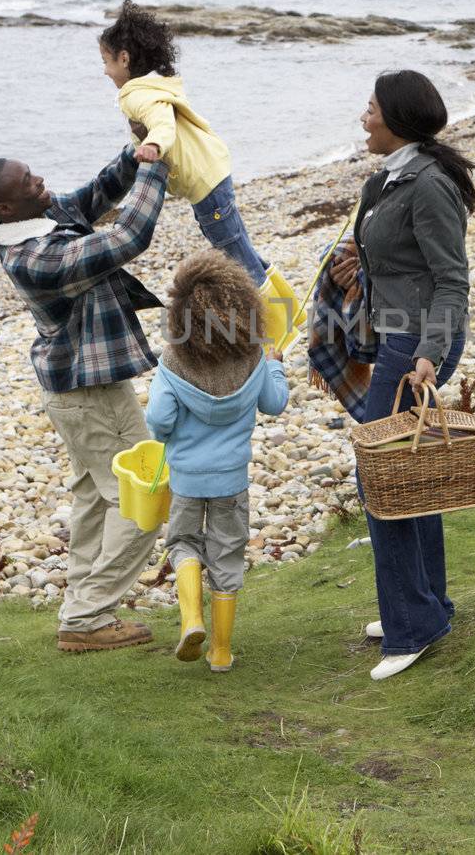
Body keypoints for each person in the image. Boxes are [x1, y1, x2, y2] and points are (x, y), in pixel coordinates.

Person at [0, 144, 167, 652]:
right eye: (29, 183)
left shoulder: (42, 215)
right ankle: (87, 617)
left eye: (34, 174)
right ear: (5, 210)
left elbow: (98, 193)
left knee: (96, 502)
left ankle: (82, 607)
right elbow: (127, 237)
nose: (42, 183)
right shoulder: (34, 257)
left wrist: (136, 149)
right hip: (86, 393)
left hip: (83, 387)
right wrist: (156, 169)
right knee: (145, 499)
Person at [328, 69, 475, 681]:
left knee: (382, 480)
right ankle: (425, 606)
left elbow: (452, 281)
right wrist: (357, 274)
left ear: (395, 118)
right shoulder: (388, 179)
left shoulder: (429, 185)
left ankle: (411, 627)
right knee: (408, 475)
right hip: (395, 330)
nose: (362, 118)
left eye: (369, 109)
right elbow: (396, 261)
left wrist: (430, 354)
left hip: (418, 341)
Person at [145, 250, 290, 672]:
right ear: (242, 305)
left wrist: (166, 437)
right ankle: (222, 652)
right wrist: (275, 367)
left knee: (183, 543)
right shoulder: (252, 355)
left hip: (188, 479)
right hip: (231, 481)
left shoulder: (174, 360)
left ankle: (192, 619)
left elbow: (158, 419)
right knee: (227, 555)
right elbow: (274, 404)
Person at [99, 1, 267, 284]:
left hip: (205, 183)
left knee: (236, 260)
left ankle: (276, 324)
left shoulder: (137, 95)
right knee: (242, 249)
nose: (105, 71)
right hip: (212, 172)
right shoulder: (155, 86)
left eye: (106, 61)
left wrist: (152, 146)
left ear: (124, 59)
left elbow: (162, 124)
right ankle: (290, 315)